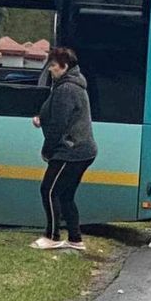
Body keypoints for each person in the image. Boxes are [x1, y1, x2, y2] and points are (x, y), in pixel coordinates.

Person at [31, 47, 97, 251]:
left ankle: (52, 236)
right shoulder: (73, 84)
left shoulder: (66, 89)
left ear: (64, 66)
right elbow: (61, 115)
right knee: (66, 194)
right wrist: (43, 119)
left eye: (53, 66)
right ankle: (75, 239)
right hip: (83, 149)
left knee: (49, 190)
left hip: (70, 150)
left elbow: (60, 123)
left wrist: (47, 150)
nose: (50, 70)